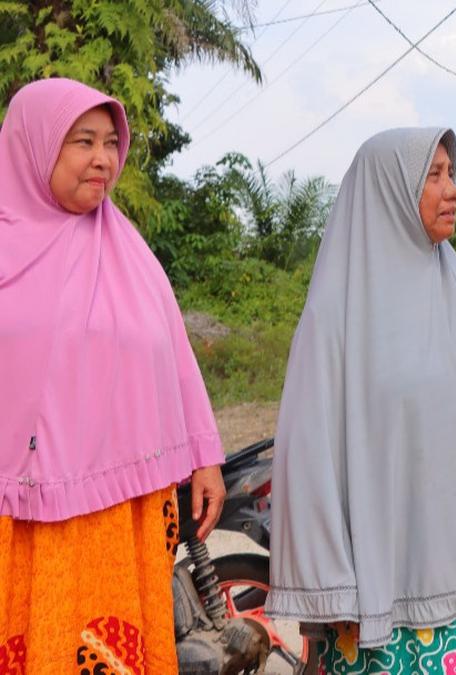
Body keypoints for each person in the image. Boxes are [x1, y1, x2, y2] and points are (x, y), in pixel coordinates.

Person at [266, 127, 456, 674]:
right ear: (388, 190)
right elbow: (307, 458)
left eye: (453, 174)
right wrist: (332, 588)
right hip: (380, 599)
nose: (452, 190)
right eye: (433, 174)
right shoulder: (337, 315)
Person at [0, 78, 226, 672]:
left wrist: (204, 457)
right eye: (82, 141)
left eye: (110, 142)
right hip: (20, 522)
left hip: (121, 516)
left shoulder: (132, 256)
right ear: (34, 146)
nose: (103, 158)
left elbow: (173, 358)